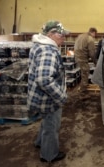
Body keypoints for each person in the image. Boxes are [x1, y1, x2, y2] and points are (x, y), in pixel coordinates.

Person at [27, 20, 69, 163]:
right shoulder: (48, 51)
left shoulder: (38, 45)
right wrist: (61, 96)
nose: (64, 38)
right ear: (51, 34)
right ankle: (49, 154)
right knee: (52, 125)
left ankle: (40, 142)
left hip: (38, 96)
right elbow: (44, 79)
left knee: (46, 121)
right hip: (48, 99)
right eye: (61, 35)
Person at [74, 27, 97, 100]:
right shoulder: (90, 39)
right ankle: (82, 92)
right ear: (93, 32)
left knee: (83, 72)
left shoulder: (81, 36)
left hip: (77, 57)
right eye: (95, 34)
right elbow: (92, 53)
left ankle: (83, 86)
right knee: (85, 72)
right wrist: (96, 62)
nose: (94, 36)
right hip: (82, 58)